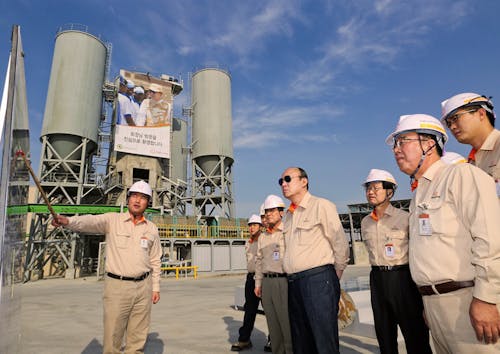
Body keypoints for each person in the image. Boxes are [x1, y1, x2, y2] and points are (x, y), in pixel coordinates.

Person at [386, 113, 500, 353]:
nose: (396, 149)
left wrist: (486, 298)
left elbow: (491, 238)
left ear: (428, 144)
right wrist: (429, 303)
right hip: (434, 307)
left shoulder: (461, 176)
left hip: (468, 302)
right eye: (395, 144)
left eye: (403, 141)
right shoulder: (419, 195)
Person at [51, 180, 161, 354]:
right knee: (112, 339)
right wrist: (68, 221)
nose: (137, 200)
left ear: (148, 202)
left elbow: (155, 259)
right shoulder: (113, 220)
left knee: (138, 339)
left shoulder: (152, 229)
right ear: (127, 199)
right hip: (117, 287)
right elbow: (90, 222)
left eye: (143, 197)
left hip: (144, 287)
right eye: (134, 196)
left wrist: (155, 287)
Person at [361, 169, 431, 354]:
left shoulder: (405, 218)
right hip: (377, 279)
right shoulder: (365, 222)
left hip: (403, 279)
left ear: (389, 191)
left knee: (414, 334)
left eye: (376, 187)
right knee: (384, 334)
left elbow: (419, 250)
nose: (371, 192)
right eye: (368, 188)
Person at [279, 167, 350, 354]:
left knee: (323, 341)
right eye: (281, 181)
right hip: (294, 283)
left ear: (304, 181)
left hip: (318, 280)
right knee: (301, 341)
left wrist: (335, 273)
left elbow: (339, 241)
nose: (283, 184)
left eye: (287, 179)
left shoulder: (321, 205)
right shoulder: (288, 216)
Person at [254, 195, 293, 354]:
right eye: (267, 211)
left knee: (287, 323)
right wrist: (258, 283)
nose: (268, 214)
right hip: (267, 283)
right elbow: (259, 261)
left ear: (281, 213)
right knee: (272, 323)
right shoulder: (263, 237)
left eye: (272, 210)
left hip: (284, 281)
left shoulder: (287, 232)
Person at [441, 93, 500, 196]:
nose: (452, 127)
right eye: (449, 123)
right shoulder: (471, 163)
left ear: (481, 114)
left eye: (455, 118)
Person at [231, 214, 267, 352]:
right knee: (249, 310)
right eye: (250, 225)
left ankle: (273, 339)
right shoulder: (248, 242)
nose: (251, 228)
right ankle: (244, 339)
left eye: (255, 225)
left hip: (264, 279)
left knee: (270, 311)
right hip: (250, 279)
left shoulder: (264, 240)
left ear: (260, 227)